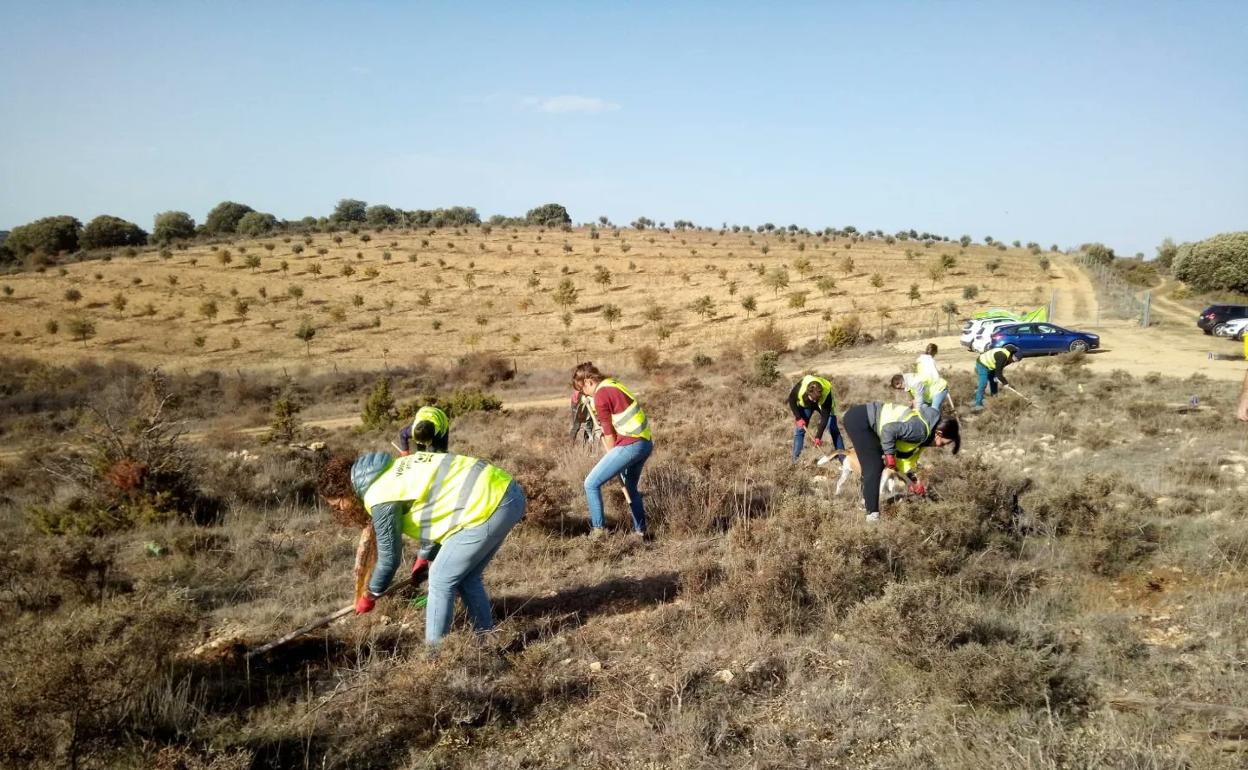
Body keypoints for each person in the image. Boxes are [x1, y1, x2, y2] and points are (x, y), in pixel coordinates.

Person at [318, 450, 526, 645]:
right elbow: (434, 509)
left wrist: (370, 594)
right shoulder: (392, 470)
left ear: (347, 491)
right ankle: (486, 638)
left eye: (339, 505)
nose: (342, 510)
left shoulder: (379, 495)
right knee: (467, 577)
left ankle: (435, 655)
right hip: (506, 492)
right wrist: (423, 558)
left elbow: (390, 558)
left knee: (440, 578)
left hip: (488, 504)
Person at [571, 362, 653, 539]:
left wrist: (612, 456)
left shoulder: (600, 395)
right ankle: (641, 532)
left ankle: (598, 532)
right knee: (630, 487)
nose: (584, 393)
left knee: (591, 483)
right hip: (645, 442)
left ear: (589, 381)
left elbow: (609, 435)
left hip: (631, 444)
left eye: (582, 388)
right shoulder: (612, 384)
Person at [841, 401, 961, 522]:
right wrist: (889, 454)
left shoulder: (923, 440)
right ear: (939, 434)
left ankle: (866, 502)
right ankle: (872, 517)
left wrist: (911, 483)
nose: (942, 446)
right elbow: (888, 430)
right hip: (860, 419)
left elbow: (899, 464)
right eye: (946, 443)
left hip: (867, 423)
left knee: (874, 463)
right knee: (874, 465)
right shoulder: (920, 431)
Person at [788, 374, 844, 461]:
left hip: (823, 406)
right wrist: (798, 418)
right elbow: (791, 399)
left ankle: (843, 459)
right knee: (799, 430)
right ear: (807, 392)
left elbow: (825, 417)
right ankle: (795, 461)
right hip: (806, 405)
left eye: (816, 399)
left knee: (833, 428)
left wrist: (818, 436)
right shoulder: (800, 388)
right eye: (812, 399)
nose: (814, 401)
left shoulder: (826, 393)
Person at [973, 344, 1020, 410]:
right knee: (983, 383)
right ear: (1012, 354)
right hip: (982, 364)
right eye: (1016, 358)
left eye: (1017, 360)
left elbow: (1000, 368)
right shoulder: (1002, 356)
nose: (1015, 361)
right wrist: (1005, 383)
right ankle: (977, 404)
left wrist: (996, 377)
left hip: (991, 366)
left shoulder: (1008, 357)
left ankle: (994, 399)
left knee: (994, 381)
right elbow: (999, 373)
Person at [914, 343, 950, 412]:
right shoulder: (930, 361)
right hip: (936, 388)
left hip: (925, 389)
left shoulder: (920, 361)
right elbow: (934, 376)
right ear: (934, 352)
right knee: (934, 410)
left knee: (926, 410)